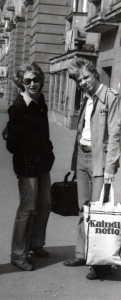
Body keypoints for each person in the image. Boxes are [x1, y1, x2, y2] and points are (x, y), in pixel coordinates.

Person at [63, 57, 121, 279]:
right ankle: (82, 253)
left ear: (95, 74)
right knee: (83, 208)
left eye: (86, 77)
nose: (83, 82)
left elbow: (116, 134)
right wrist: (74, 160)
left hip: (100, 160)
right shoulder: (86, 98)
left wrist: (110, 167)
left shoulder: (110, 98)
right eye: (79, 80)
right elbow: (82, 130)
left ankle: (99, 264)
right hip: (82, 156)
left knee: (97, 211)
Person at [6, 62, 55, 271]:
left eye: (36, 79)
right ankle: (18, 254)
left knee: (45, 203)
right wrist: (31, 150)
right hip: (27, 165)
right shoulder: (18, 108)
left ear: (41, 79)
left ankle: (36, 244)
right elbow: (12, 145)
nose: (32, 84)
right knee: (27, 208)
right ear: (21, 83)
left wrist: (48, 150)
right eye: (27, 80)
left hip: (43, 162)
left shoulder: (40, 101)